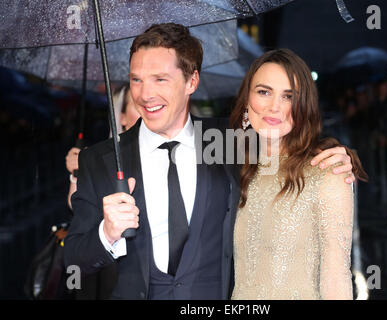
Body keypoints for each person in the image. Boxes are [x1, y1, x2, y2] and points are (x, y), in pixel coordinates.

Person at [64, 23, 359, 300]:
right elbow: (74, 259)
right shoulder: (99, 160)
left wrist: (340, 157)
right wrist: (108, 232)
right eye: (136, 79)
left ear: (192, 81)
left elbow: (284, 144)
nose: (145, 94)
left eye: (160, 79)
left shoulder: (225, 141)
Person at [229, 49, 367, 300]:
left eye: (288, 96)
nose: (274, 107)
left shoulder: (327, 171)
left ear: (303, 106)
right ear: (246, 99)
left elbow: (336, 276)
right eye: (264, 92)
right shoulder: (236, 168)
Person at [65, 84, 140, 210]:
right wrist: (77, 174)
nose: (146, 110)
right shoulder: (102, 158)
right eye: (138, 105)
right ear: (122, 117)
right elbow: (78, 207)